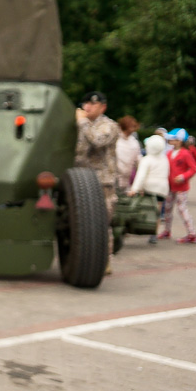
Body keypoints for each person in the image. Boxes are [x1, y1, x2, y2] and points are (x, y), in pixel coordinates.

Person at [74, 91, 120, 271]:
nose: (88, 107)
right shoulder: (79, 124)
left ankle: (105, 260)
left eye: (93, 104)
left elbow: (98, 141)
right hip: (80, 181)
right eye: (86, 103)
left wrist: (82, 122)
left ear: (103, 107)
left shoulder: (108, 125)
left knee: (102, 222)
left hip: (102, 182)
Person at [129, 134, 170, 244]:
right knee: (157, 211)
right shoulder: (164, 159)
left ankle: (143, 226)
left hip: (149, 188)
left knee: (146, 209)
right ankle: (154, 233)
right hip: (162, 189)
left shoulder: (147, 159)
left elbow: (141, 176)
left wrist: (135, 189)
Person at [162, 128, 196, 243]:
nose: (170, 141)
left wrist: (183, 176)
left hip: (181, 187)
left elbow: (193, 169)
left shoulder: (186, 153)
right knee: (167, 208)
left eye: (173, 139)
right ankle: (167, 230)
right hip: (170, 186)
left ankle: (192, 233)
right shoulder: (169, 153)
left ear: (179, 141)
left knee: (182, 209)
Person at [115, 115, 142, 191]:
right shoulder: (115, 139)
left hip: (127, 179)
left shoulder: (134, 142)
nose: (133, 129)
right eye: (131, 126)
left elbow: (138, 160)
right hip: (115, 177)